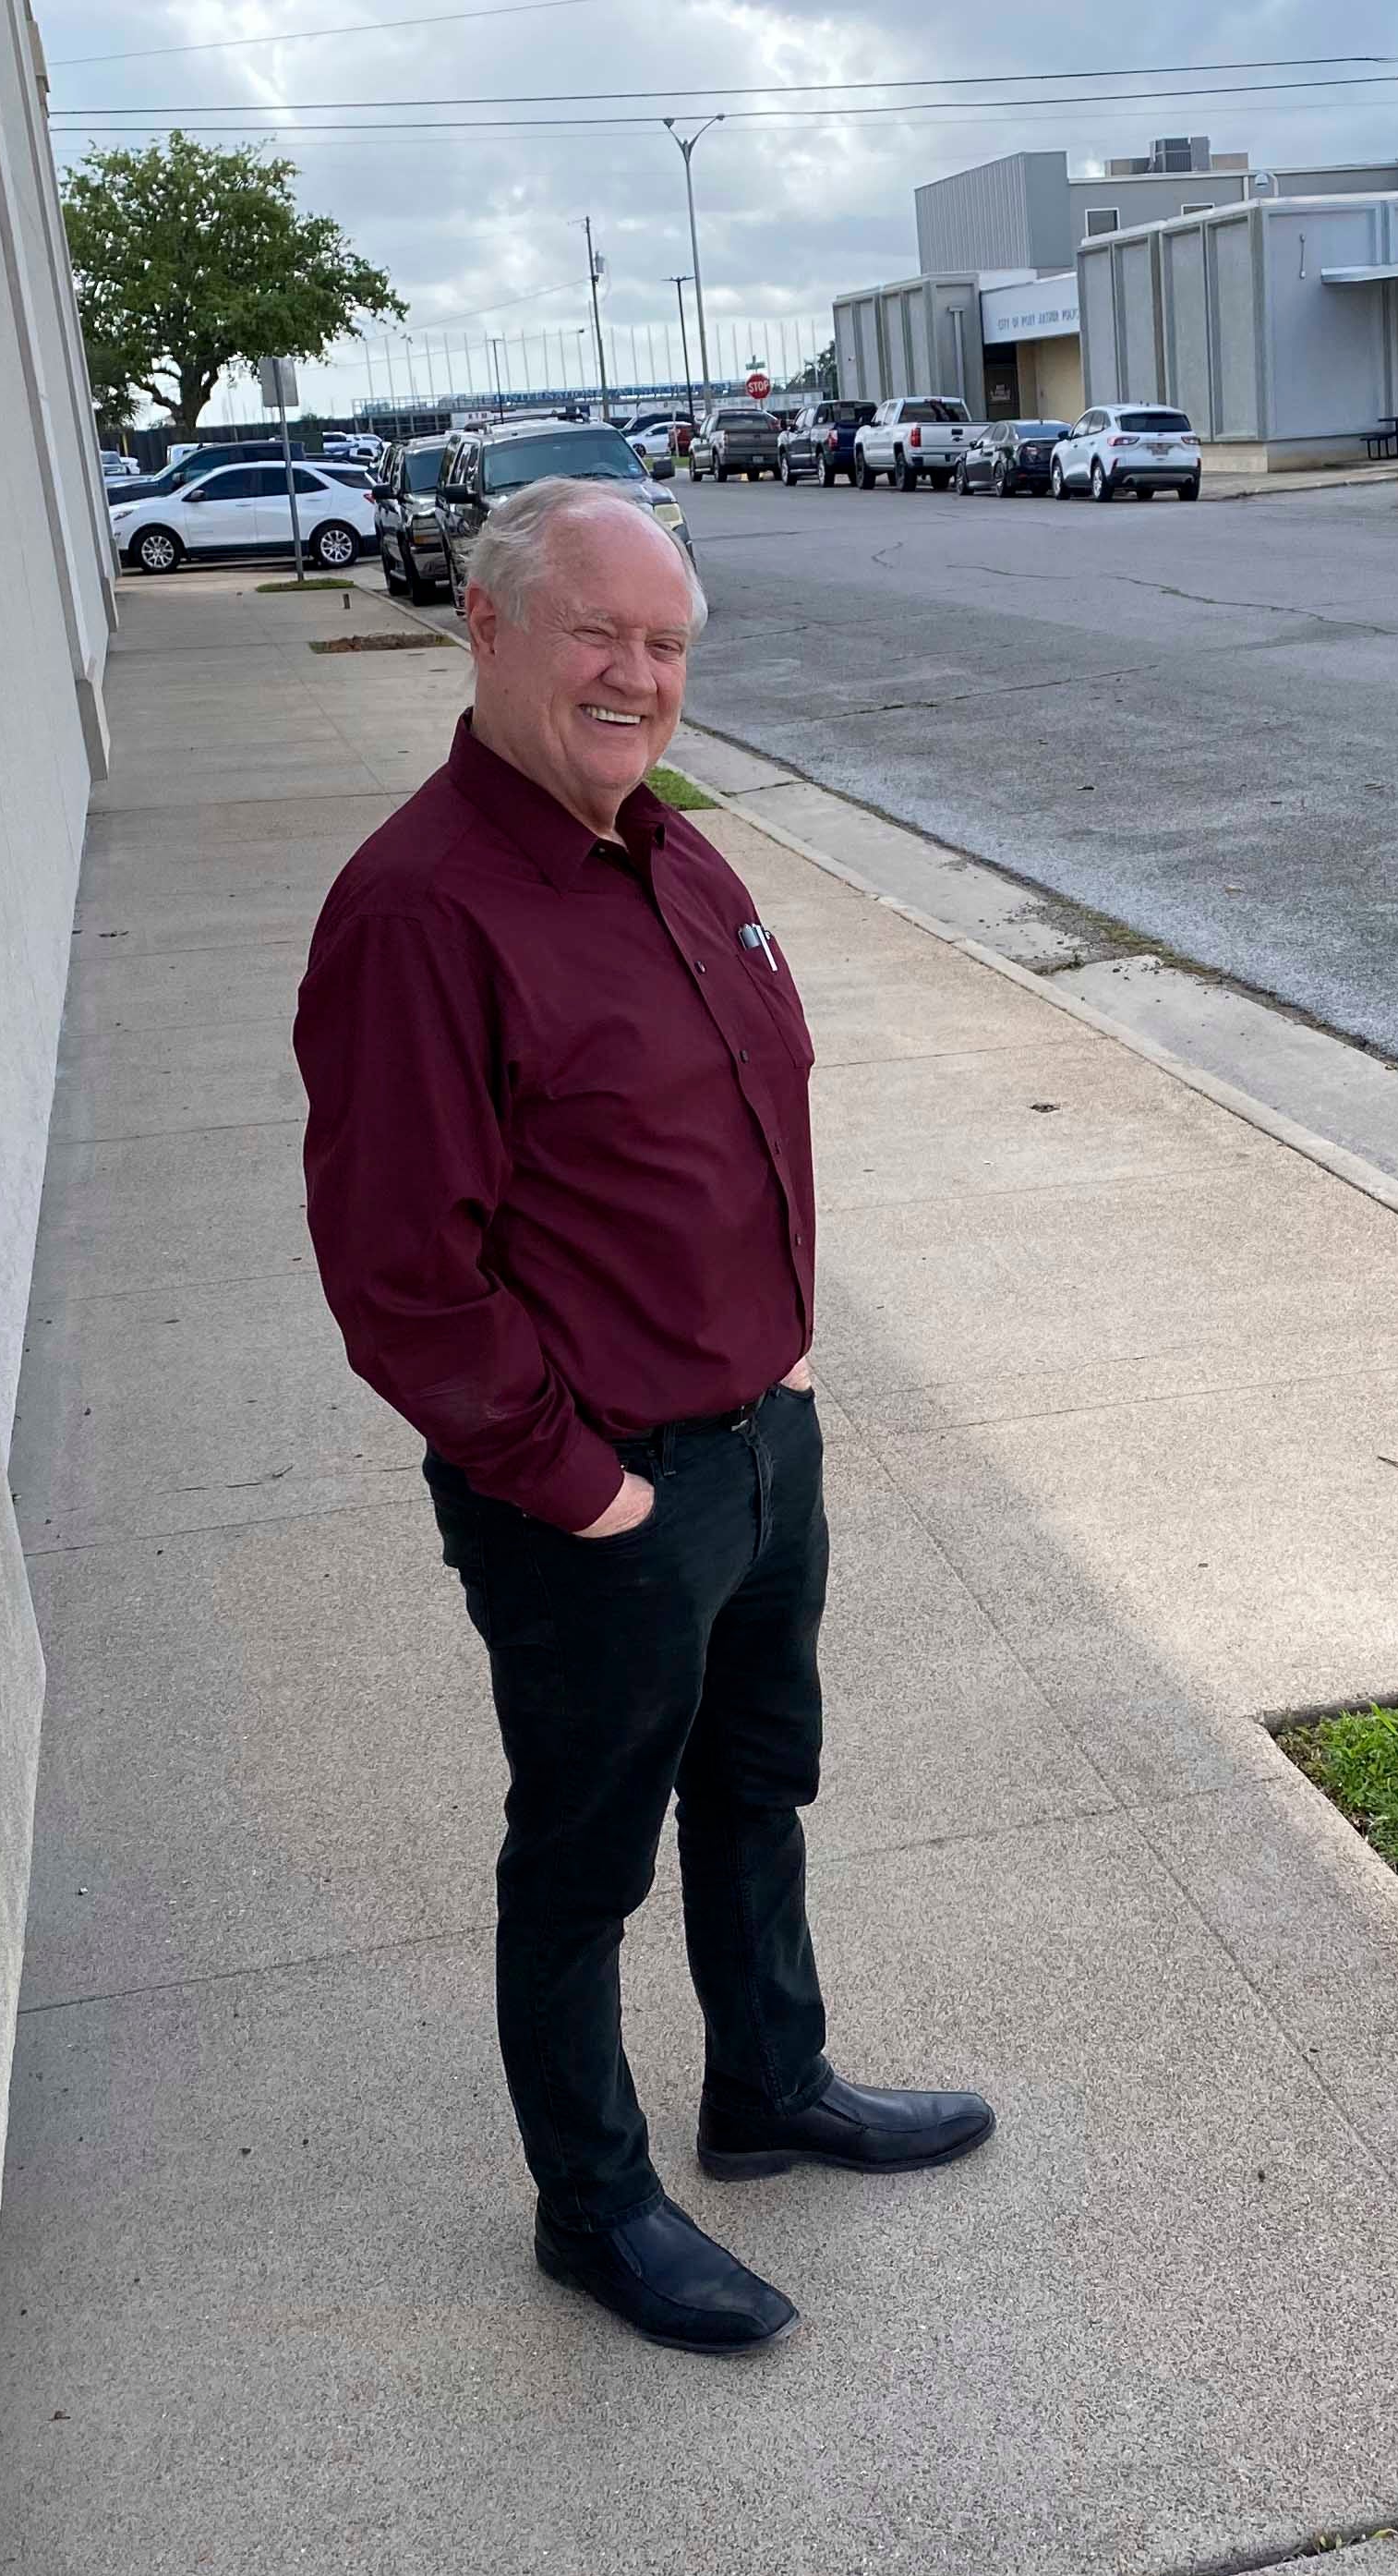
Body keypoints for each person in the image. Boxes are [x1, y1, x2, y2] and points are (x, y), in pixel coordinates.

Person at [294, 477, 993, 2355]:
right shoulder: (421, 912)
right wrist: (578, 1486)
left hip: (761, 1441)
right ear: (489, 626)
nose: (636, 672)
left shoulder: (673, 851)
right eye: (597, 631)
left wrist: (782, 1377)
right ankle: (591, 2205)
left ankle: (769, 2085)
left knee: (757, 1787)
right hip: (600, 1494)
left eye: (667, 641)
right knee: (583, 1860)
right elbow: (399, 1274)